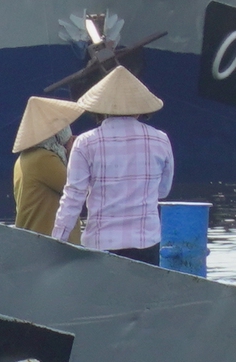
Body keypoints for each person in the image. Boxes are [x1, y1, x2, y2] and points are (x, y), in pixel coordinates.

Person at [49, 66, 174, 263]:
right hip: (146, 243)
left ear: (101, 108)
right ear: (140, 109)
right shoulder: (160, 140)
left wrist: (57, 241)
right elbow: (163, 191)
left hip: (100, 242)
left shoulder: (85, 142)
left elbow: (74, 197)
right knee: (142, 294)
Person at [10, 96, 81, 237]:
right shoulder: (44, 158)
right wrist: (75, 155)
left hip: (36, 241)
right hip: (48, 245)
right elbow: (77, 188)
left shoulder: (26, 157)